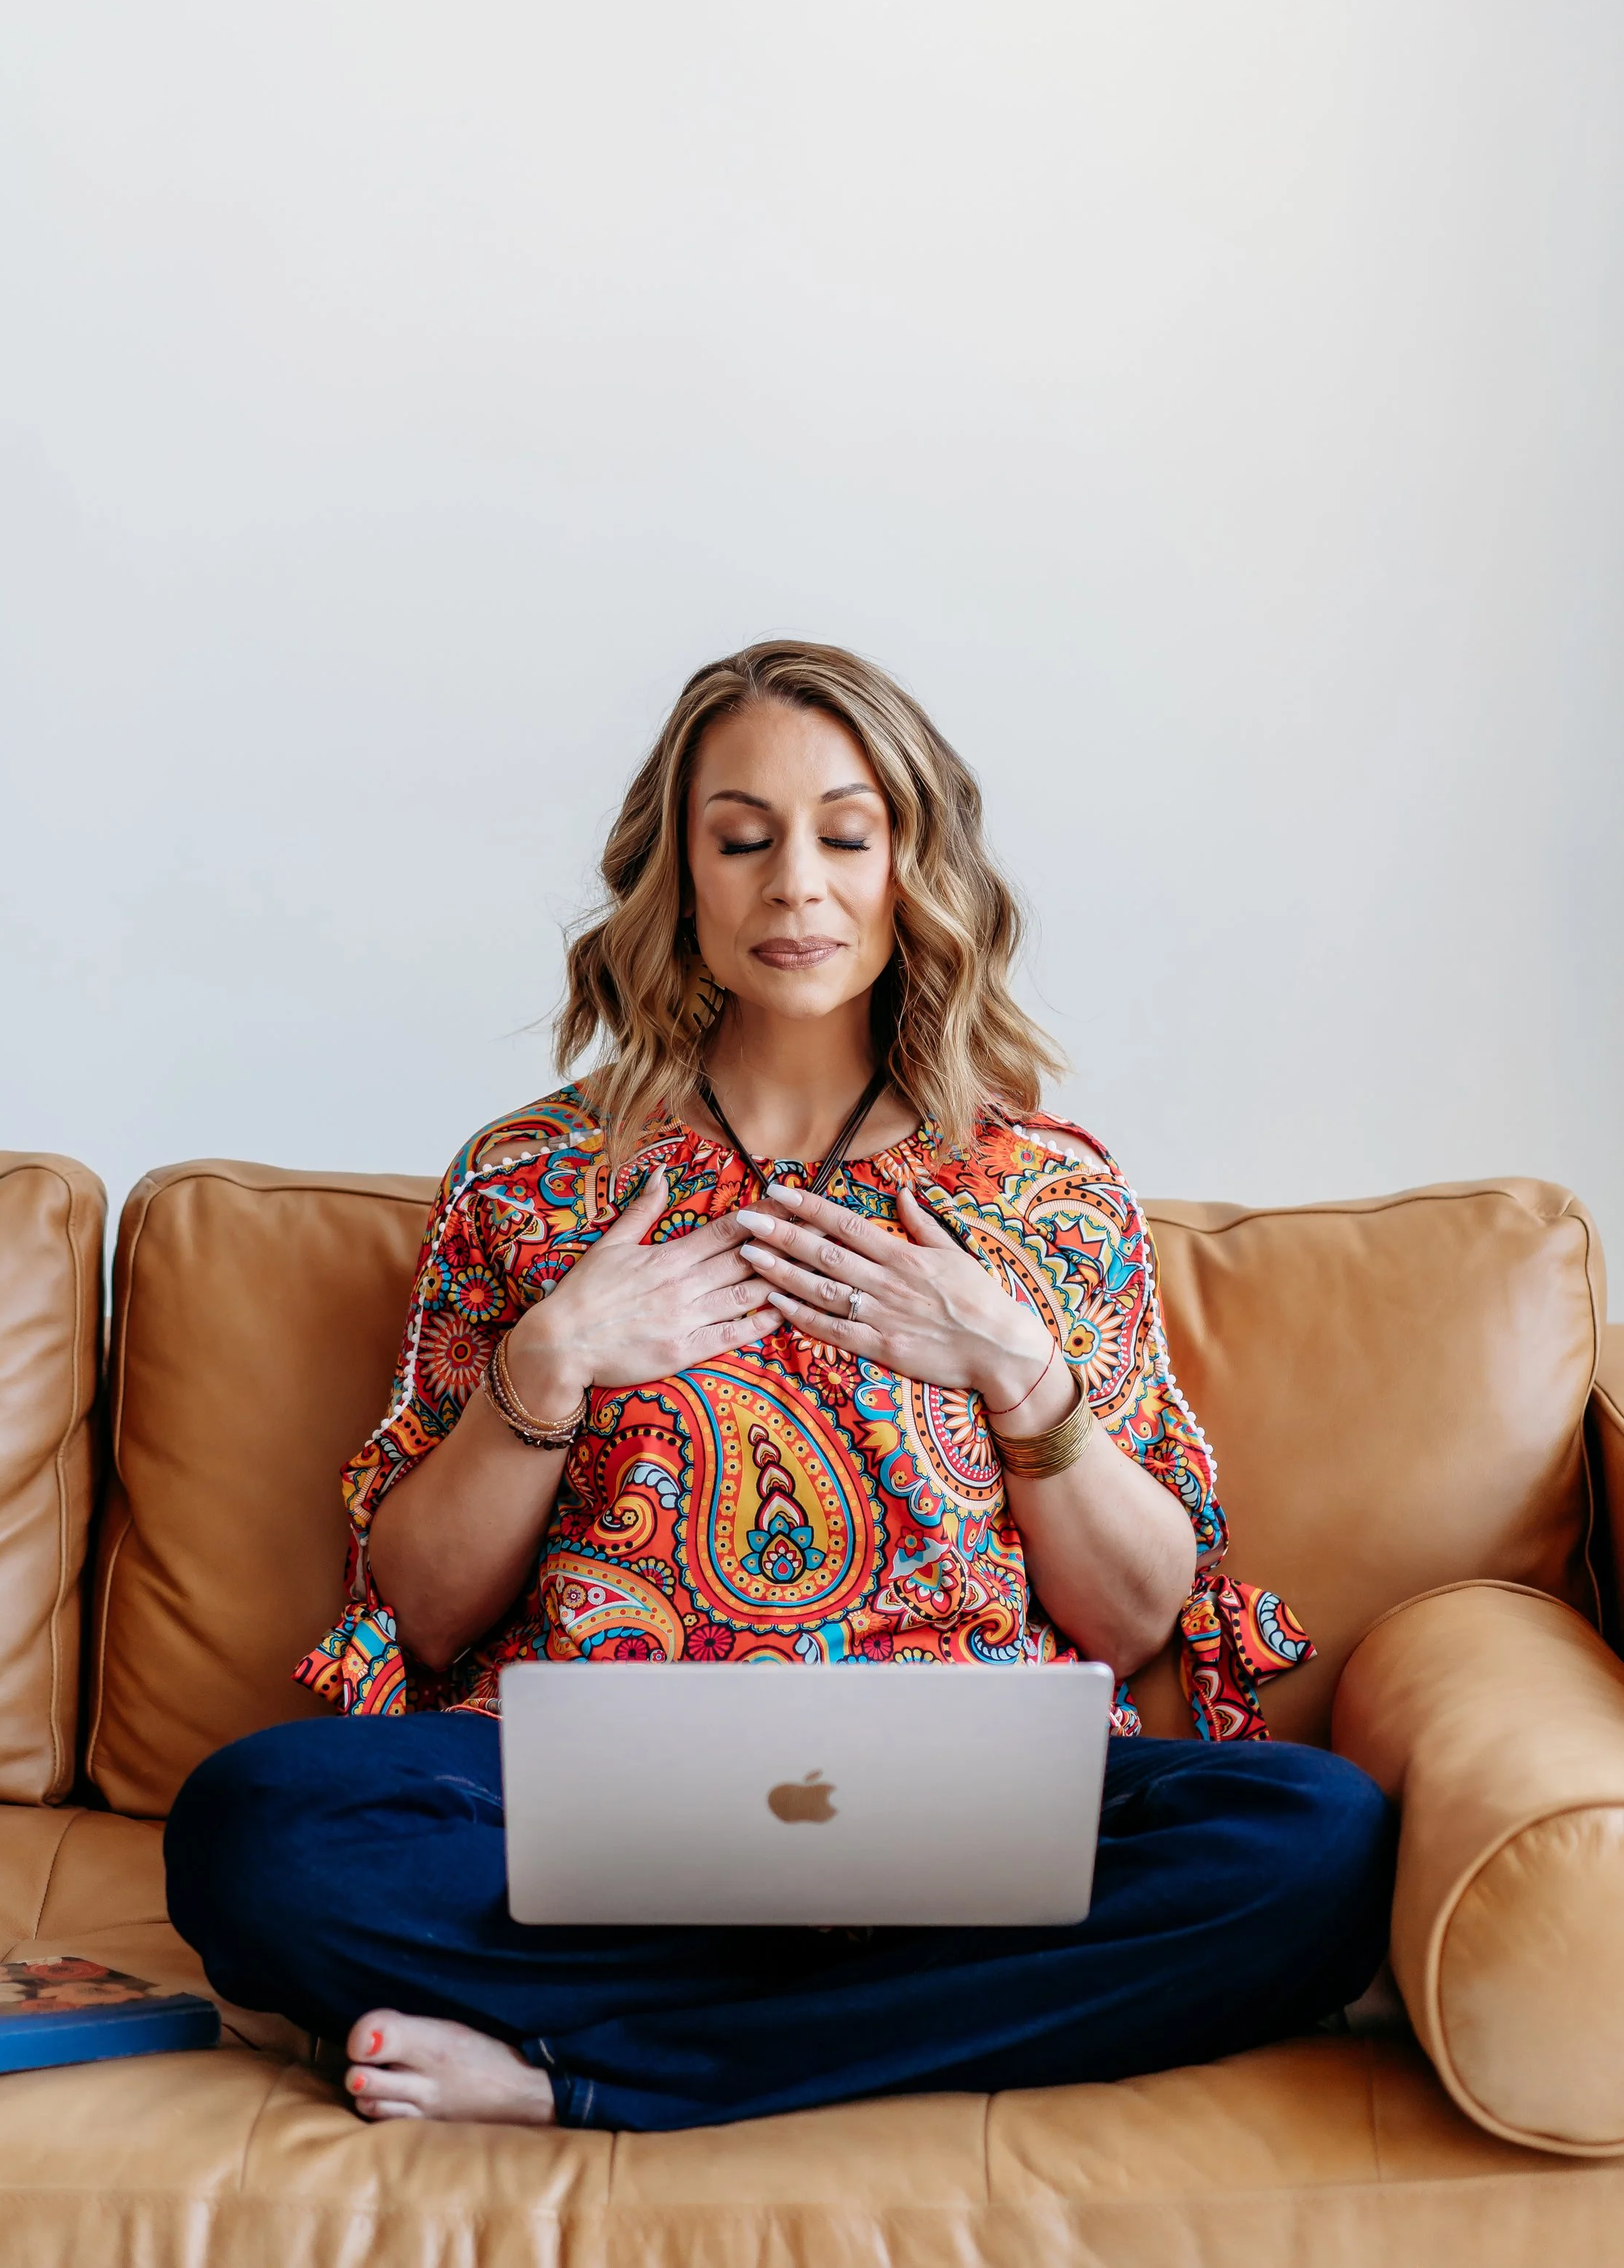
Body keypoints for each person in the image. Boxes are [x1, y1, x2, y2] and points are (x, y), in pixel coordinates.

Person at [164, 639, 1393, 2133]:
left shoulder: (1049, 1195)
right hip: (599, 1814)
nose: (793, 886)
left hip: (954, 1818)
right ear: (675, 877)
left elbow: (1134, 1620)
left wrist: (1023, 1380)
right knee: (252, 1833)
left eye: (843, 835)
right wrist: (542, 1372)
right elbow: (419, 1612)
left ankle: (590, 2074)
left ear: (910, 867)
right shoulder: (531, 1178)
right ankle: (865, 2032)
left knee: (1316, 1841)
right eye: (740, 840)